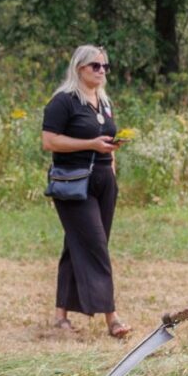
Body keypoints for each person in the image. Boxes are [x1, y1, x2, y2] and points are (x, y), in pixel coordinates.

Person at [41, 45, 132, 338]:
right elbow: (49, 141)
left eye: (105, 66)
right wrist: (89, 145)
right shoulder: (63, 101)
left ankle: (60, 317)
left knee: (79, 244)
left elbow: (106, 140)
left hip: (104, 181)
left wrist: (112, 166)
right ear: (79, 68)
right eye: (96, 66)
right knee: (95, 246)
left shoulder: (104, 103)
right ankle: (112, 318)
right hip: (74, 182)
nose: (102, 71)